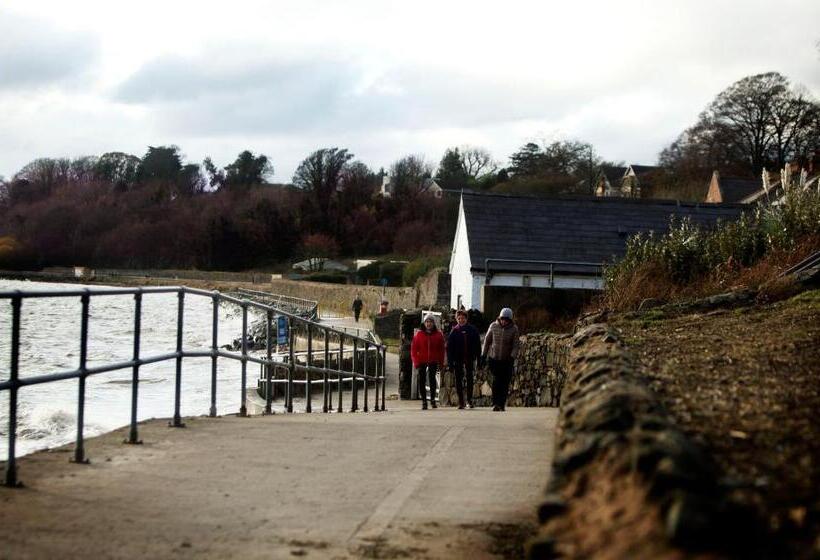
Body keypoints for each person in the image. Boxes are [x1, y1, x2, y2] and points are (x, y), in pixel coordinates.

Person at [481, 307, 520, 412]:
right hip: (494, 358)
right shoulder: (493, 326)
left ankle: (501, 404)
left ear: (510, 320)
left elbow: (516, 345)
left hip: (507, 360)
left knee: (504, 382)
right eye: (502, 319)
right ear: (499, 318)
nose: (504, 321)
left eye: (506, 320)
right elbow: (487, 341)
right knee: (496, 381)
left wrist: (512, 357)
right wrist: (483, 355)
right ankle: (495, 403)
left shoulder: (514, 329)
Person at [447, 309, 481, 409]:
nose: (461, 320)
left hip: (470, 358)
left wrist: (479, 359)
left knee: (470, 379)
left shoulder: (473, 330)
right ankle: (461, 402)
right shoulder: (454, 331)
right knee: (458, 380)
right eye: (459, 318)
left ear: (466, 319)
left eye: (463, 318)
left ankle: (469, 400)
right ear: (456, 319)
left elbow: (478, 346)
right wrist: (450, 363)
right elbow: (449, 348)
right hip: (458, 359)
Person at [411, 314, 445, 410]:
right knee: (421, 381)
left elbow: (441, 350)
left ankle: (433, 400)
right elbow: (413, 349)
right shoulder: (419, 334)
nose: (428, 324)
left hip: (433, 360)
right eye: (426, 322)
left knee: (432, 380)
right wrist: (416, 362)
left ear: (433, 323)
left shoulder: (438, 335)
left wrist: (441, 362)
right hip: (421, 360)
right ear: (424, 323)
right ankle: (424, 401)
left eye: (430, 322)